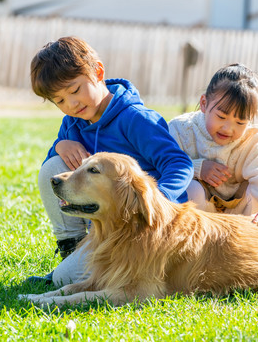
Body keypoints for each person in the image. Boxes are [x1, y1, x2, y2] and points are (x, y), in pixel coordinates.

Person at [27, 36, 194, 286]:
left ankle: (83, 269)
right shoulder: (73, 124)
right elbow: (56, 173)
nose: (71, 104)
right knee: (52, 167)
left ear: (98, 71)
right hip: (103, 225)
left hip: (139, 227)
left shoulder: (134, 119)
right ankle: (71, 251)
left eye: (75, 90)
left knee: (66, 279)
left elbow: (179, 164)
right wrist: (60, 146)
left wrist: (157, 201)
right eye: (59, 101)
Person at [168, 63, 258, 230]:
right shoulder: (181, 129)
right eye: (221, 117)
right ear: (204, 103)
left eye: (240, 122)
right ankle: (193, 238)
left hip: (239, 216)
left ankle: (250, 237)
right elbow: (162, 164)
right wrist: (197, 168)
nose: (228, 128)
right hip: (200, 215)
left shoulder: (252, 139)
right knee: (190, 187)